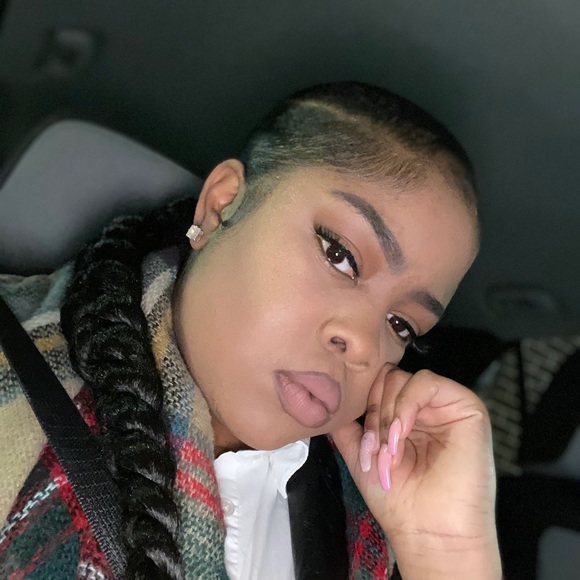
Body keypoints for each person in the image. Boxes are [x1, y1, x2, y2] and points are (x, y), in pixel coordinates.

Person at [0, 81, 501, 579]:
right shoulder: (16, 384)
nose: (365, 346)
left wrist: (447, 553)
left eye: (402, 325)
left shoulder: (359, 524)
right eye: (340, 256)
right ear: (222, 205)